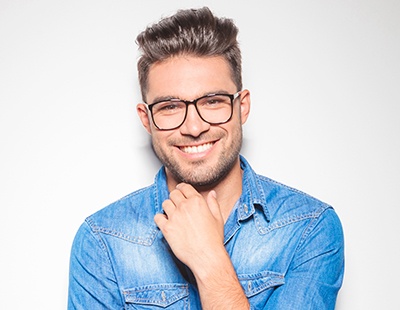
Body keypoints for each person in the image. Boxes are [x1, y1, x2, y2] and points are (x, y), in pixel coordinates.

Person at [68, 7, 344, 309]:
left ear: (242, 107)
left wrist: (209, 259)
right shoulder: (102, 240)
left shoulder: (309, 228)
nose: (194, 127)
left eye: (213, 101)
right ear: (146, 119)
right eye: (170, 107)